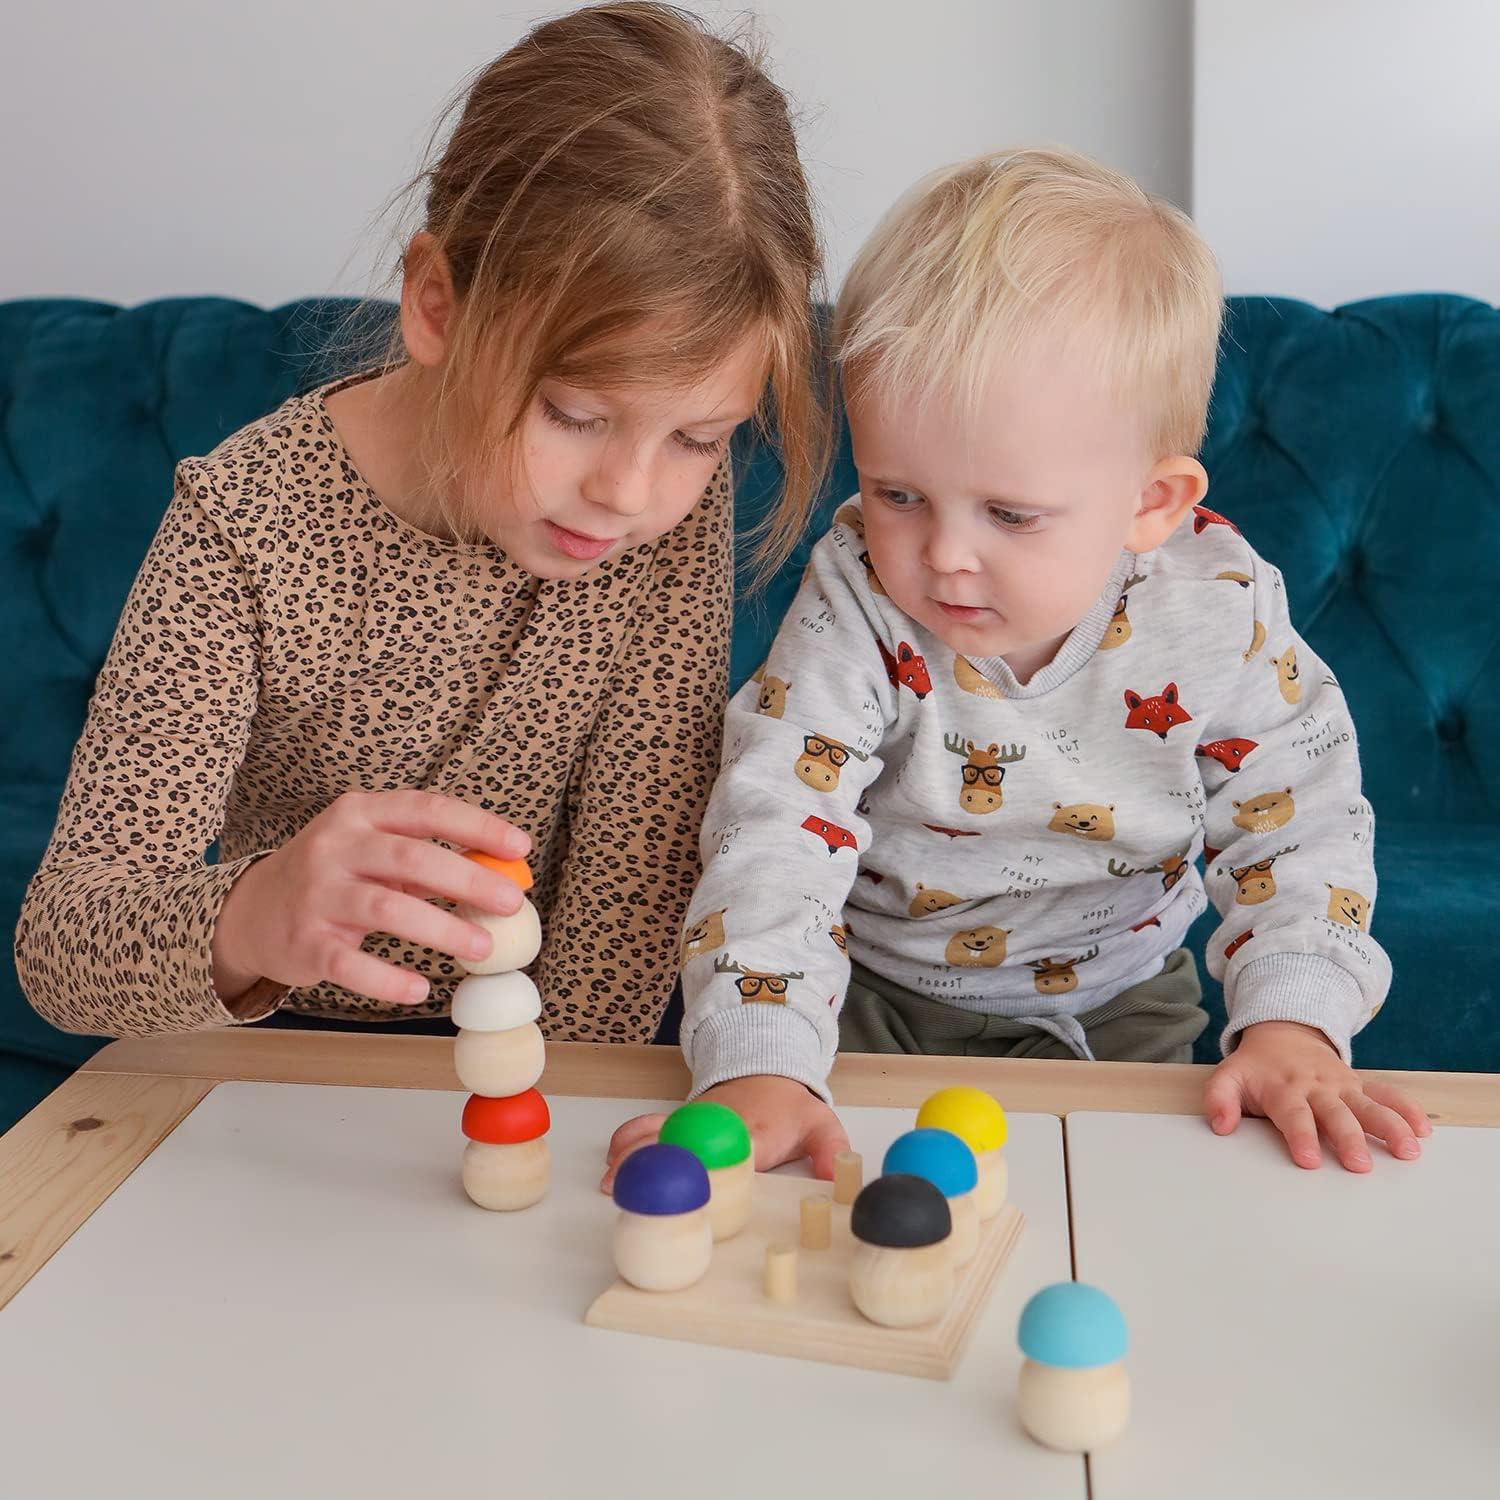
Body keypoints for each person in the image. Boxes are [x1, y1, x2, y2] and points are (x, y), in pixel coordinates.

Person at [606, 147, 1428, 1186]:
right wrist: (762, 1062)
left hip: (1124, 1006)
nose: (944, 553)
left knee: (1126, 1226)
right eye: (899, 493)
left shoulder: (1218, 610)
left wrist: (1298, 1022)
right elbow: (774, 826)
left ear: (1151, 505)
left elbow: (1302, 823)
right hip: (868, 1006)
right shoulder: (859, 593)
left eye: (1009, 514)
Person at [16, 2, 828, 1047]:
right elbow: (64, 946)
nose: (632, 494)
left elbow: (627, 899)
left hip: (523, 1052)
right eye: (574, 415)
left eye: (701, 437)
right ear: (437, 304)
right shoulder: (246, 519)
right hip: (269, 1056)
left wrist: (542, 1120)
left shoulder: (665, 511)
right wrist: (254, 916)